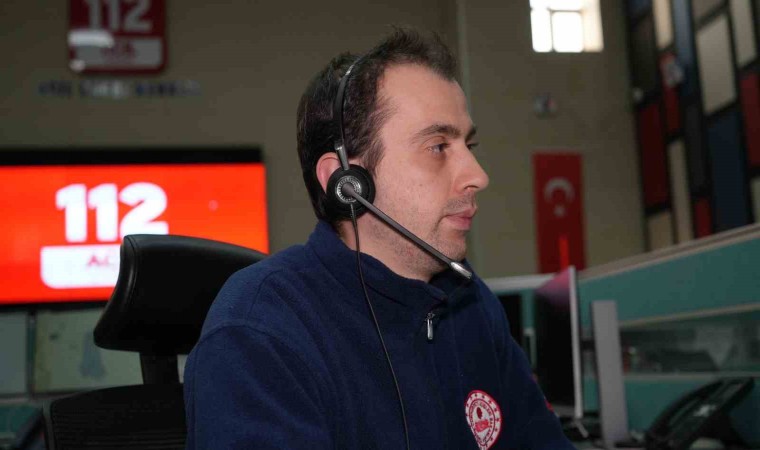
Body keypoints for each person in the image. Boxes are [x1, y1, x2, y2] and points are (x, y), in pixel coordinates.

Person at [183, 27, 574, 449]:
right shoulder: (261, 331)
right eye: (438, 147)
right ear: (347, 182)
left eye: (469, 145)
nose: (478, 176)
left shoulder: (469, 301)